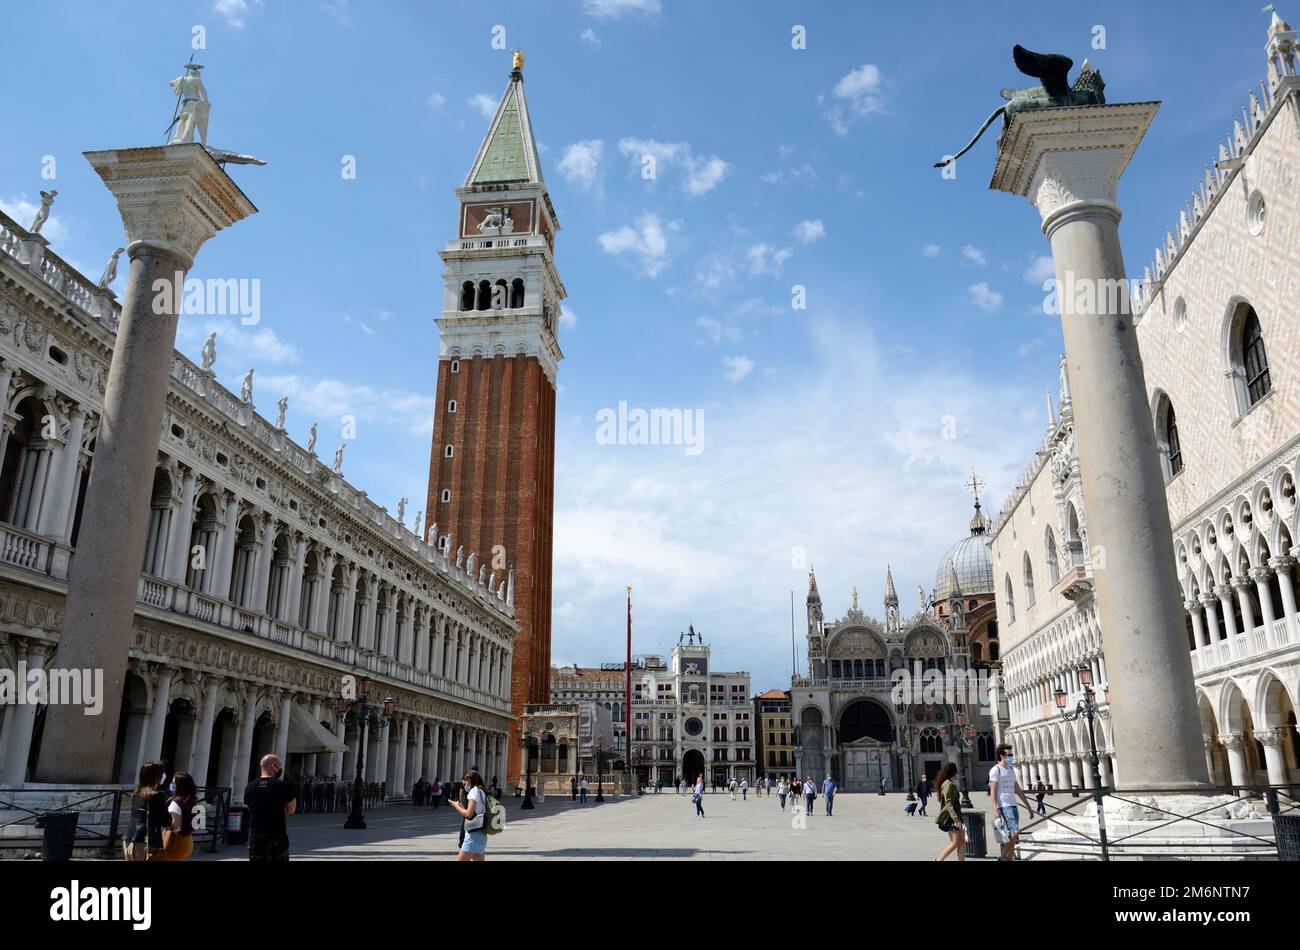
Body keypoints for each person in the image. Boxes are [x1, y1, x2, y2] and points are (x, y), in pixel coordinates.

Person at [245, 753, 297, 862]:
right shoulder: (282, 786)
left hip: (256, 838)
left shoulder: (249, 787)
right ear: (274, 767)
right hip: (276, 838)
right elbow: (291, 809)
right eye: (279, 766)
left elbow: (250, 807)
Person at [988, 743, 1034, 861]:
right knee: (1014, 833)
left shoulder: (1011, 769)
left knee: (1012, 834)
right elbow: (992, 791)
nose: (1011, 757)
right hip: (1004, 805)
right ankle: (1006, 857)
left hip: (1013, 805)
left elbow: (1017, 789)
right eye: (1009, 755)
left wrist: (1028, 806)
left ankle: (1006, 857)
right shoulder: (995, 770)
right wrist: (995, 808)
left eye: (1011, 754)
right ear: (1002, 755)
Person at [122, 761, 168, 861]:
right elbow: (166, 821)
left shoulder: (137, 793)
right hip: (146, 841)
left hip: (129, 837)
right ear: (157, 777)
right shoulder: (157, 796)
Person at [154, 772, 198, 861]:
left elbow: (173, 824)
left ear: (179, 786)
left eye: (173, 783)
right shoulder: (190, 800)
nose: (171, 785)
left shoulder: (176, 803)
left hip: (175, 840)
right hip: (188, 840)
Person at [447, 769, 488, 861]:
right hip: (481, 833)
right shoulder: (482, 791)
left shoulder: (474, 791)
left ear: (469, 780)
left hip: (473, 834)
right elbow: (476, 811)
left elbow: (469, 814)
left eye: (465, 784)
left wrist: (457, 806)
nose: (465, 786)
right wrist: (462, 807)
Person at [934, 762, 965, 862]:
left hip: (957, 816)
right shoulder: (947, 784)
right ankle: (939, 860)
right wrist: (956, 819)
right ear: (953, 772)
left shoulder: (952, 784)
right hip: (951, 818)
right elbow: (948, 803)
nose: (957, 774)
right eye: (956, 772)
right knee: (955, 843)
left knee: (961, 842)